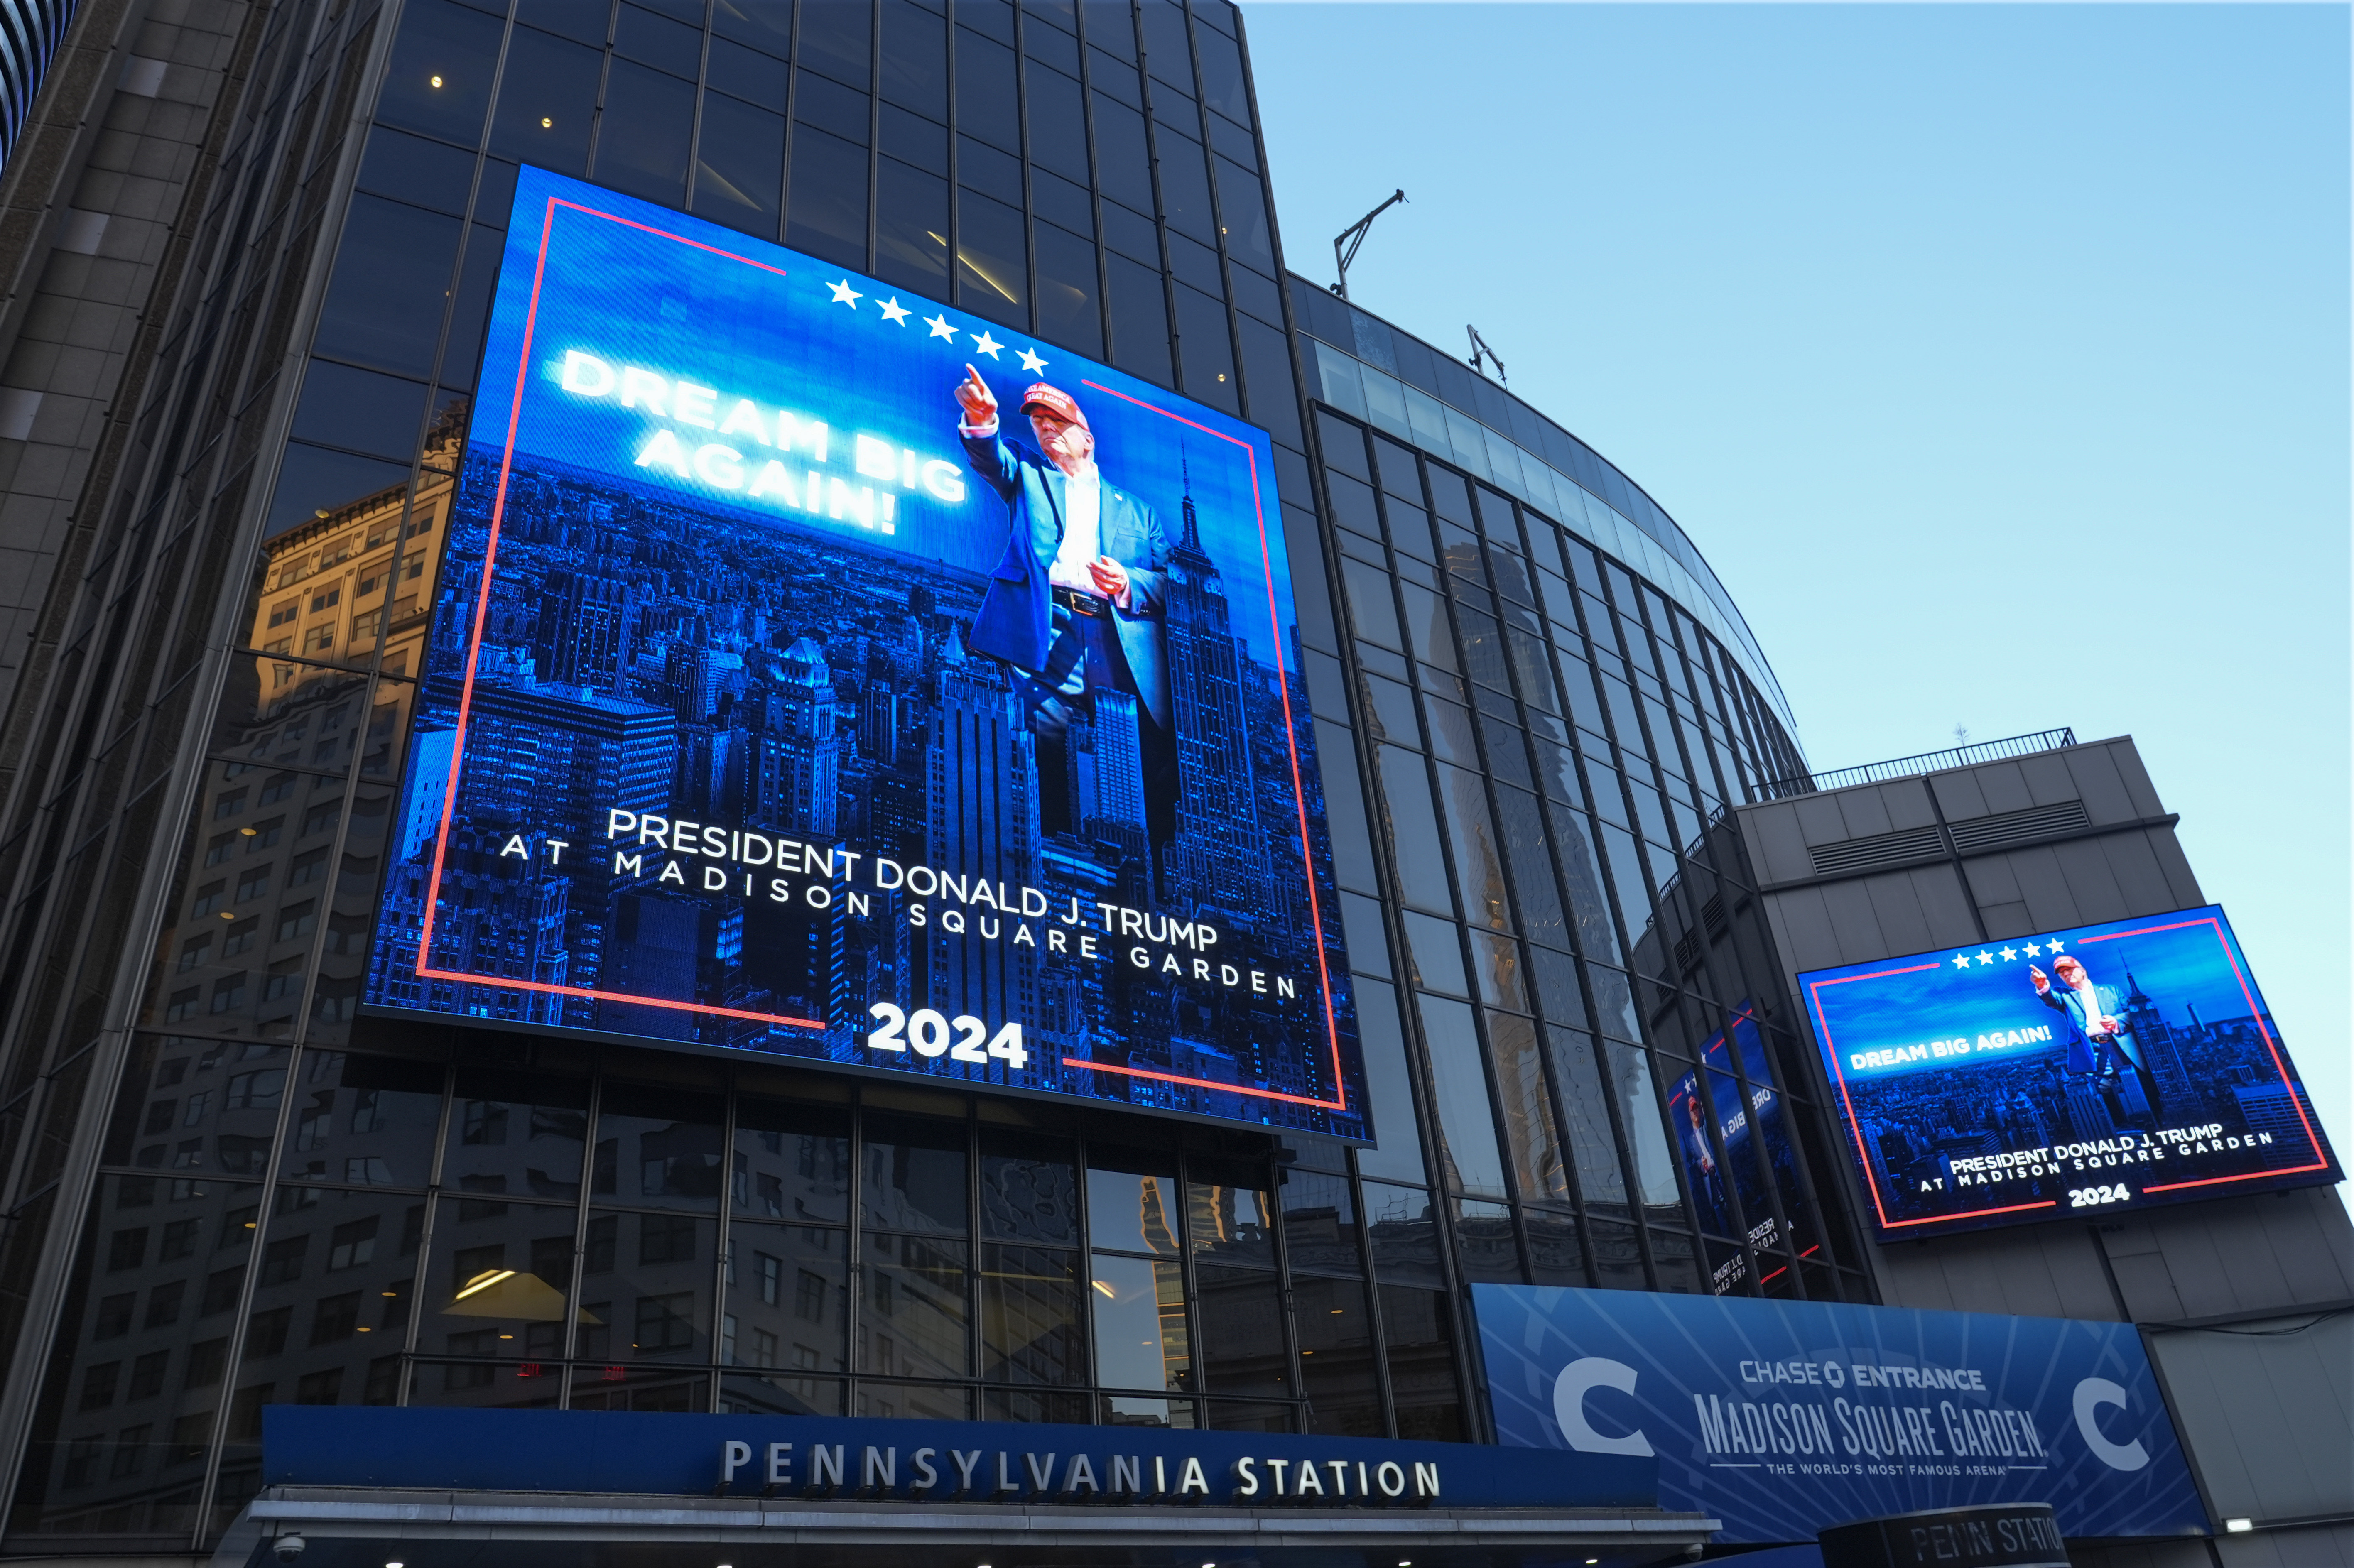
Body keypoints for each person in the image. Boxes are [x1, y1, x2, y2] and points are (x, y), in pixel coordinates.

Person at [954, 367, 1175, 856]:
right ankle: (1053, 855)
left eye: (1057, 419)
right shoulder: (1028, 475)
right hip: (1047, 629)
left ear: (1088, 439)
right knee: (1047, 747)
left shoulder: (1140, 514)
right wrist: (982, 420)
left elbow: (1172, 587)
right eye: (1037, 420)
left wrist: (1129, 583)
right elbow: (991, 461)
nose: (1044, 426)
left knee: (1133, 756)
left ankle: (1141, 868)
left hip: (1118, 641)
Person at [2030, 955, 2164, 1124]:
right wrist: (2042, 985)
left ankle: (2158, 1122)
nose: (2065, 974)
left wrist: (2117, 1021)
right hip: (2093, 1050)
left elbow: (2132, 1014)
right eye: (2061, 973)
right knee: (2103, 1092)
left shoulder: (2111, 991)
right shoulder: (2064, 996)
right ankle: (2122, 1128)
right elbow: (2050, 998)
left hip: (2120, 1046)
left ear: (2083, 970)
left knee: (2140, 1083)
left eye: (2069, 969)